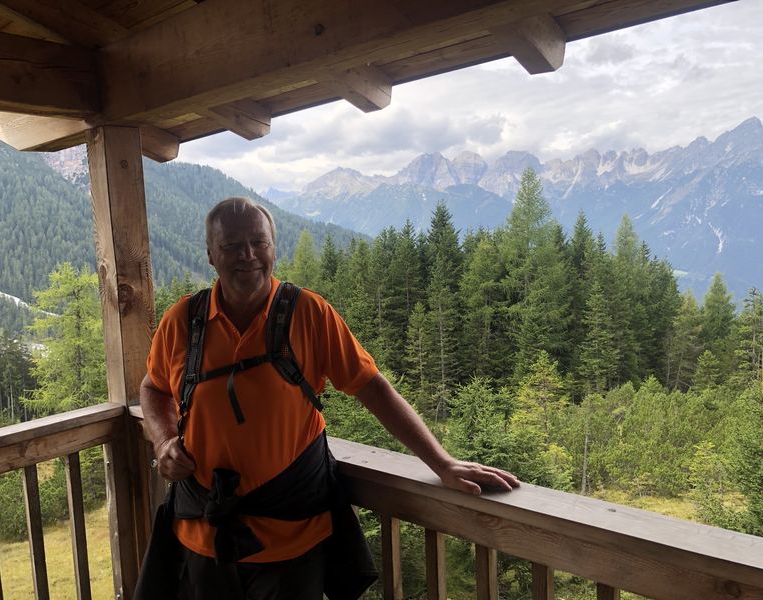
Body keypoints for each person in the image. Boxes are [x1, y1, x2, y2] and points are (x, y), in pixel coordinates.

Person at [139, 196, 520, 600]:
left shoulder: (308, 313)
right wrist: (163, 440)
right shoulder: (183, 321)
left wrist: (441, 463)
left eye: (258, 242)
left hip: (292, 537)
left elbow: (372, 387)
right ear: (211, 254)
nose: (247, 255)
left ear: (273, 247)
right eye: (232, 245)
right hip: (203, 534)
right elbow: (153, 387)